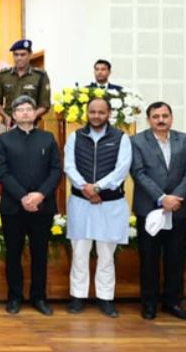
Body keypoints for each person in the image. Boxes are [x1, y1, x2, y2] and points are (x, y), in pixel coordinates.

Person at [130, 101, 186, 321]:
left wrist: (175, 198)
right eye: (156, 116)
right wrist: (162, 198)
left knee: (176, 259)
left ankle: (173, 302)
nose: (161, 120)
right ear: (148, 119)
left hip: (177, 209)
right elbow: (138, 172)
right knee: (149, 259)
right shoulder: (136, 141)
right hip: (149, 209)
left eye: (165, 116)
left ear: (171, 117)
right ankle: (149, 304)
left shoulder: (185, 140)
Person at [63, 98, 131, 318]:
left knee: (106, 254)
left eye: (101, 112)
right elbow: (69, 166)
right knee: (79, 252)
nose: (96, 116)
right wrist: (86, 188)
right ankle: (78, 296)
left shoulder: (121, 138)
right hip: (81, 202)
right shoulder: (76, 136)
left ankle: (105, 298)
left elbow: (122, 169)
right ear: (87, 113)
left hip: (109, 204)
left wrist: (98, 187)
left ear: (108, 113)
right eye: (92, 112)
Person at [0, 95, 62, 316]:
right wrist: (23, 197)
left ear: (35, 113)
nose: (25, 112)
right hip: (13, 207)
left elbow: (56, 170)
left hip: (42, 206)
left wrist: (40, 195)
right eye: (20, 109)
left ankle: (39, 297)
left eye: (28, 109)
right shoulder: (4, 140)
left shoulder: (47, 138)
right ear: (13, 115)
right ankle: (14, 297)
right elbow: (2, 172)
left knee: (40, 254)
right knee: (13, 254)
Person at [0, 39, 51, 128]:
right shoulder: (4, 75)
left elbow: (45, 105)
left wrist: (32, 115)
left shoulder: (40, 76)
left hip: (31, 124)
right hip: (9, 123)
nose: (19, 58)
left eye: (23, 55)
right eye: (16, 55)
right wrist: (5, 116)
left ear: (30, 55)